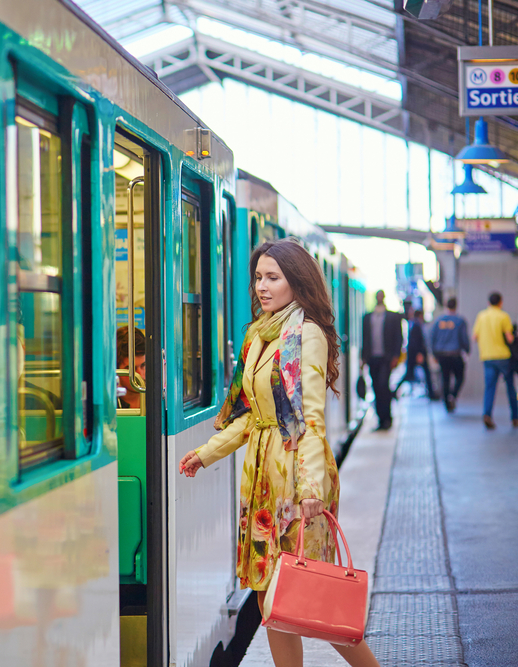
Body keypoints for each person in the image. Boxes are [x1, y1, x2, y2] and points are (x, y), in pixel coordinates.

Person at [179, 239, 380, 667]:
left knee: (312, 599)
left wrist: (311, 488)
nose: (262, 287)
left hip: (294, 479)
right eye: (258, 278)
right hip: (263, 480)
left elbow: (309, 418)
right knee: (272, 598)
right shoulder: (259, 335)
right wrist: (206, 453)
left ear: (297, 281)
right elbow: (252, 416)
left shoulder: (305, 333)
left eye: (273, 278)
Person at [471, 291, 517, 430]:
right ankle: (515, 417)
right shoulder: (503, 316)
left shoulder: (481, 316)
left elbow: (474, 337)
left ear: (488, 302)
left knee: (490, 388)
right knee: (510, 387)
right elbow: (510, 338)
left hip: (487, 357)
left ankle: (487, 415)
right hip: (503, 357)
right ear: (500, 302)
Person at [360, 290, 402, 431]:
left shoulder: (393, 317)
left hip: (387, 358)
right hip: (372, 358)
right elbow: (364, 339)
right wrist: (363, 358)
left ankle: (388, 418)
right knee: (376, 387)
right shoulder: (367, 318)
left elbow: (398, 338)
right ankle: (380, 419)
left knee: (384, 385)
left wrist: (396, 356)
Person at [430, 297, 470, 413]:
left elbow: (432, 337)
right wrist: (467, 351)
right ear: (456, 306)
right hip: (455, 354)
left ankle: (446, 403)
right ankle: (453, 395)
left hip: (442, 355)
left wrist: (434, 353)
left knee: (445, 378)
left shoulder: (439, 321)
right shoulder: (459, 321)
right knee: (460, 377)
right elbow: (464, 338)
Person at [394, 308, 433, 399]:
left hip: (413, 354)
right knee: (422, 373)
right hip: (416, 354)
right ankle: (431, 393)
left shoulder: (414, 324)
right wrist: (419, 354)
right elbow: (417, 341)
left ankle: (394, 391)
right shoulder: (416, 325)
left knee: (409, 374)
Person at [116, 325, 146, 409]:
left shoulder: (157, 400)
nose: (140, 375)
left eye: (143, 365)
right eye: (130, 369)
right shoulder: (110, 405)